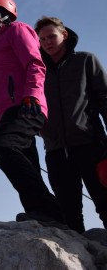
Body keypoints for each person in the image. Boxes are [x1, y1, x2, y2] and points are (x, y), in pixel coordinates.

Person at [0, 0, 64, 225]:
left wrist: (33, 97)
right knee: (27, 163)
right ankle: (42, 214)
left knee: (5, 149)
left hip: (26, 106)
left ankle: (50, 208)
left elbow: (35, 64)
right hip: (7, 114)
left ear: (0, 14)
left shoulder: (18, 31)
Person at [34, 16, 107, 233]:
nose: (47, 42)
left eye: (51, 36)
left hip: (91, 145)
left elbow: (104, 97)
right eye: (42, 39)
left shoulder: (85, 60)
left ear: (64, 35)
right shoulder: (38, 71)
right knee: (69, 213)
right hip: (55, 151)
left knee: (105, 203)